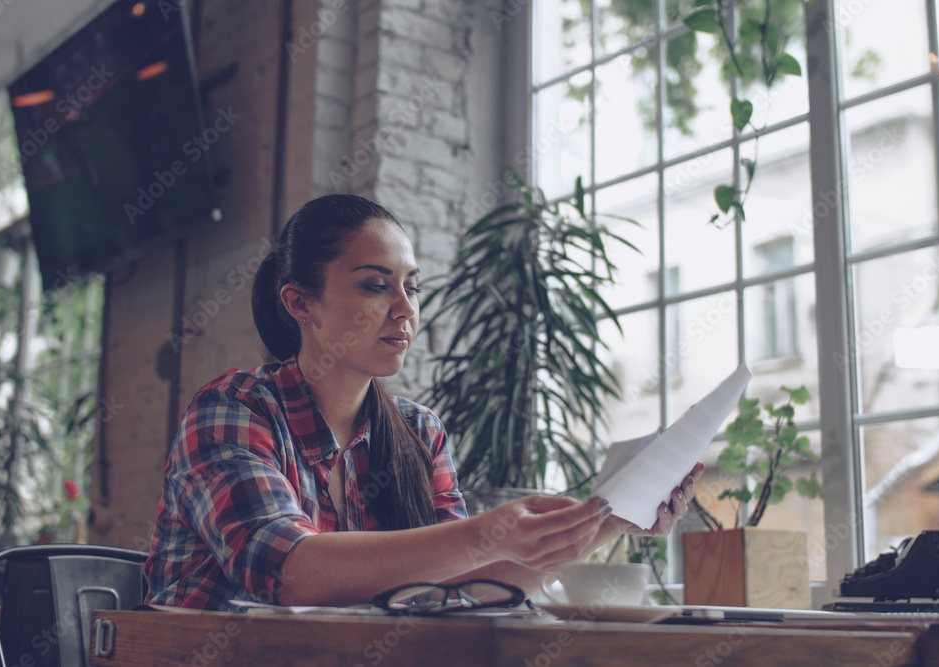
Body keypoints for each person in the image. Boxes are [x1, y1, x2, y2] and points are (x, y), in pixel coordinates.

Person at [143, 193, 702, 610]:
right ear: (300, 304)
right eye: (374, 285)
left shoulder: (417, 430)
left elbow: (472, 591)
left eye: (412, 286)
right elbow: (292, 573)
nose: (405, 309)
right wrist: (487, 534)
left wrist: (607, 520)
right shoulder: (232, 410)